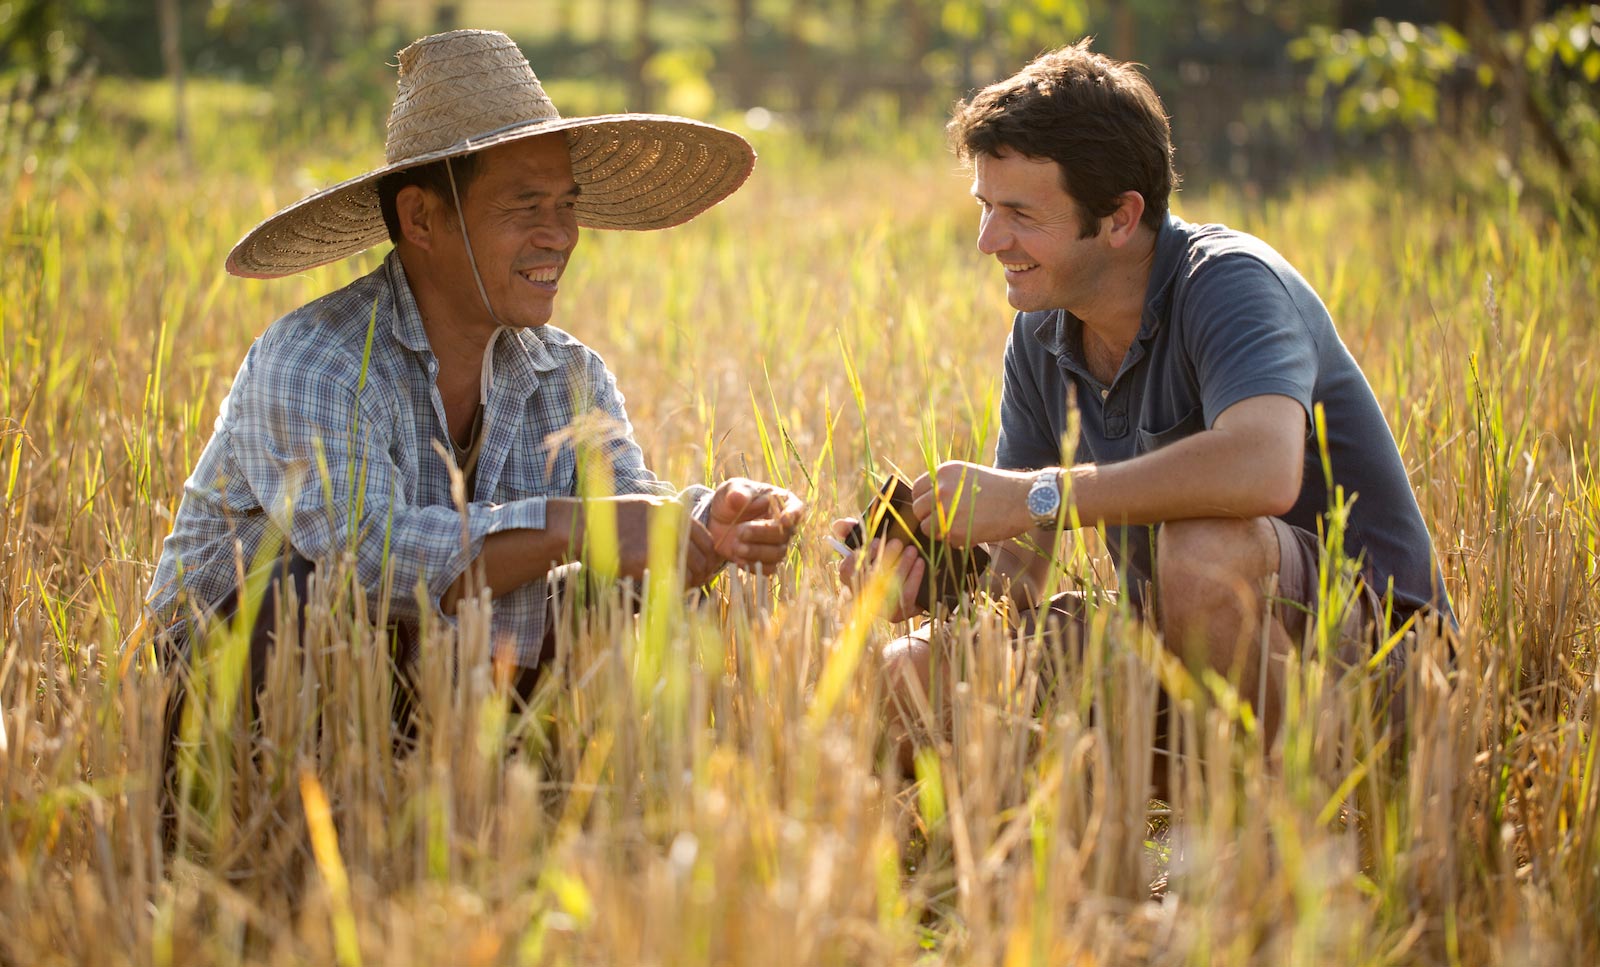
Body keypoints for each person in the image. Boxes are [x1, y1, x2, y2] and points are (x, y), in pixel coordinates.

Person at [833, 39, 1452, 775]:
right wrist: (926, 575)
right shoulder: (1041, 330)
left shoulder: (1231, 283)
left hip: (1372, 662)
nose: (988, 240)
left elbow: (1263, 468)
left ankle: (1279, 839)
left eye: (1020, 213)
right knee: (910, 669)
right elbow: (1016, 577)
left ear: (1122, 217)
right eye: (986, 207)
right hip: (1175, 646)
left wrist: (1036, 494)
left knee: (1200, 554)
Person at [148, 29, 804, 720]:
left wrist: (707, 520)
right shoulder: (317, 359)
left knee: (623, 588)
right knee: (304, 592)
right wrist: (567, 530)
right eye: (526, 206)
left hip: (438, 680)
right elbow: (363, 560)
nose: (561, 234)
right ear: (422, 218)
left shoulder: (568, 374)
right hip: (244, 707)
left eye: (567, 205)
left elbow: (627, 508)